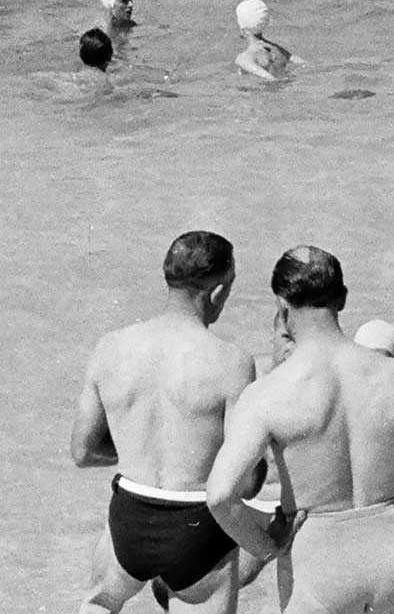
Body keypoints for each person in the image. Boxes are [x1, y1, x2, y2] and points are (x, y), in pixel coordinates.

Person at [206, 245, 394, 614]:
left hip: (318, 554)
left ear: (282, 308)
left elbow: (221, 496)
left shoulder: (268, 394)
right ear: (343, 299)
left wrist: (267, 547)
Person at [71, 231, 255, 614]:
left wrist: (134, 449)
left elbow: (83, 450)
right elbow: (246, 479)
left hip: (130, 518)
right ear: (218, 291)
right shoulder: (232, 362)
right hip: (199, 529)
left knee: (100, 603)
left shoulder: (111, 347)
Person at [234, 0, 299, 81]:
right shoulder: (278, 50)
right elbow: (303, 64)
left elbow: (269, 78)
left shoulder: (244, 58)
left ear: (243, 27)